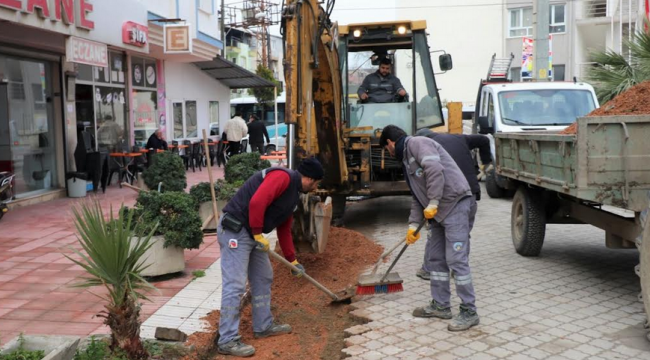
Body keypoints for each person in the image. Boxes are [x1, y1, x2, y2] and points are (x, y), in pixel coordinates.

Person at [216, 158, 325, 357]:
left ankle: (263, 325)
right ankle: (227, 339)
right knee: (235, 285)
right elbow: (258, 201)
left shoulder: (294, 195)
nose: (316, 187)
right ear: (309, 178)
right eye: (316, 182)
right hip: (235, 229)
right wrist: (258, 233)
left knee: (264, 276)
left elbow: (284, 228)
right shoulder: (283, 177)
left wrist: (292, 260)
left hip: (251, 233)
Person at [380, 124, 479, 331]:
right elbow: (418, 196)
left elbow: (435, 170)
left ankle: (469, 311)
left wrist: (433, 201)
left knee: (456, 260)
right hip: (440, 212)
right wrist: (413, 225)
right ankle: (441, 305)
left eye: (386, 149)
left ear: (390, 143)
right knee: (435, 259)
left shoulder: (418, 143)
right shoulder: (407, 160)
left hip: (456, 203)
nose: (388, 153)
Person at [414, 128, 492, 281]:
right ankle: (459, 271)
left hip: (448, 197)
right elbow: (484, 140)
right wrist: (487, 162)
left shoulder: (427, 147)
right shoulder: (459, 138)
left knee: (436, 232)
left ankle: (429, 269)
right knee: (462, 233)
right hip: (470, 195)